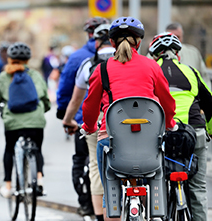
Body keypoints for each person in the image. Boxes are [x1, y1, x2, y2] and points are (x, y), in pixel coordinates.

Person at [77, 17, 177, 220]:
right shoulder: (151, 66)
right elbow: (167, 101)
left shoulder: (102, 69)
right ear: (138, 42)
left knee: (111, 189)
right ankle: (155, 213)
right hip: (148, 146)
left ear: (112, 42)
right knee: (156, 175)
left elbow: (89, 106)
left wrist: (88, 127)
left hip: (113, 146)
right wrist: (170, 124)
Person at [149, 32, 212, 221]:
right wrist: (209, 131)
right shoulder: (191, 72)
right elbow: (209, 105)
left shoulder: (151, 72)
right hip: (195, 134)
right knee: (198, 187)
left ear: (154, 55)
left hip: (163, 135)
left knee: (156, 180)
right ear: (178, 54)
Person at [56, 16, 109, 217]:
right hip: (123, 121)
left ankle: (87, 205)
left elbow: (67, 88)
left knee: (84, 162)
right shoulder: (124, 57)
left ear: (91, 36)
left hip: (85, 121)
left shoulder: (80, 58)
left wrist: (64, 115)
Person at [0, 42, 51, 198]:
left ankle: (8, 185)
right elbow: (46, 100)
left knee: (9, 149)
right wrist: (44, 109)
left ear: (9, 59)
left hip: (13, 123)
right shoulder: (35, 75)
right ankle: (40, 179)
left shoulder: (3, 77)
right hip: (35, 121)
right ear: (28, 60)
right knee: (37, 149)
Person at [165, 22, 211, 90]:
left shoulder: (193, 54)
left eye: (177, 37)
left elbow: (204, 78)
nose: (174, 40)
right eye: (171, 37)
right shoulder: (154, 55)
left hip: (192, 98)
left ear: (182, 37)